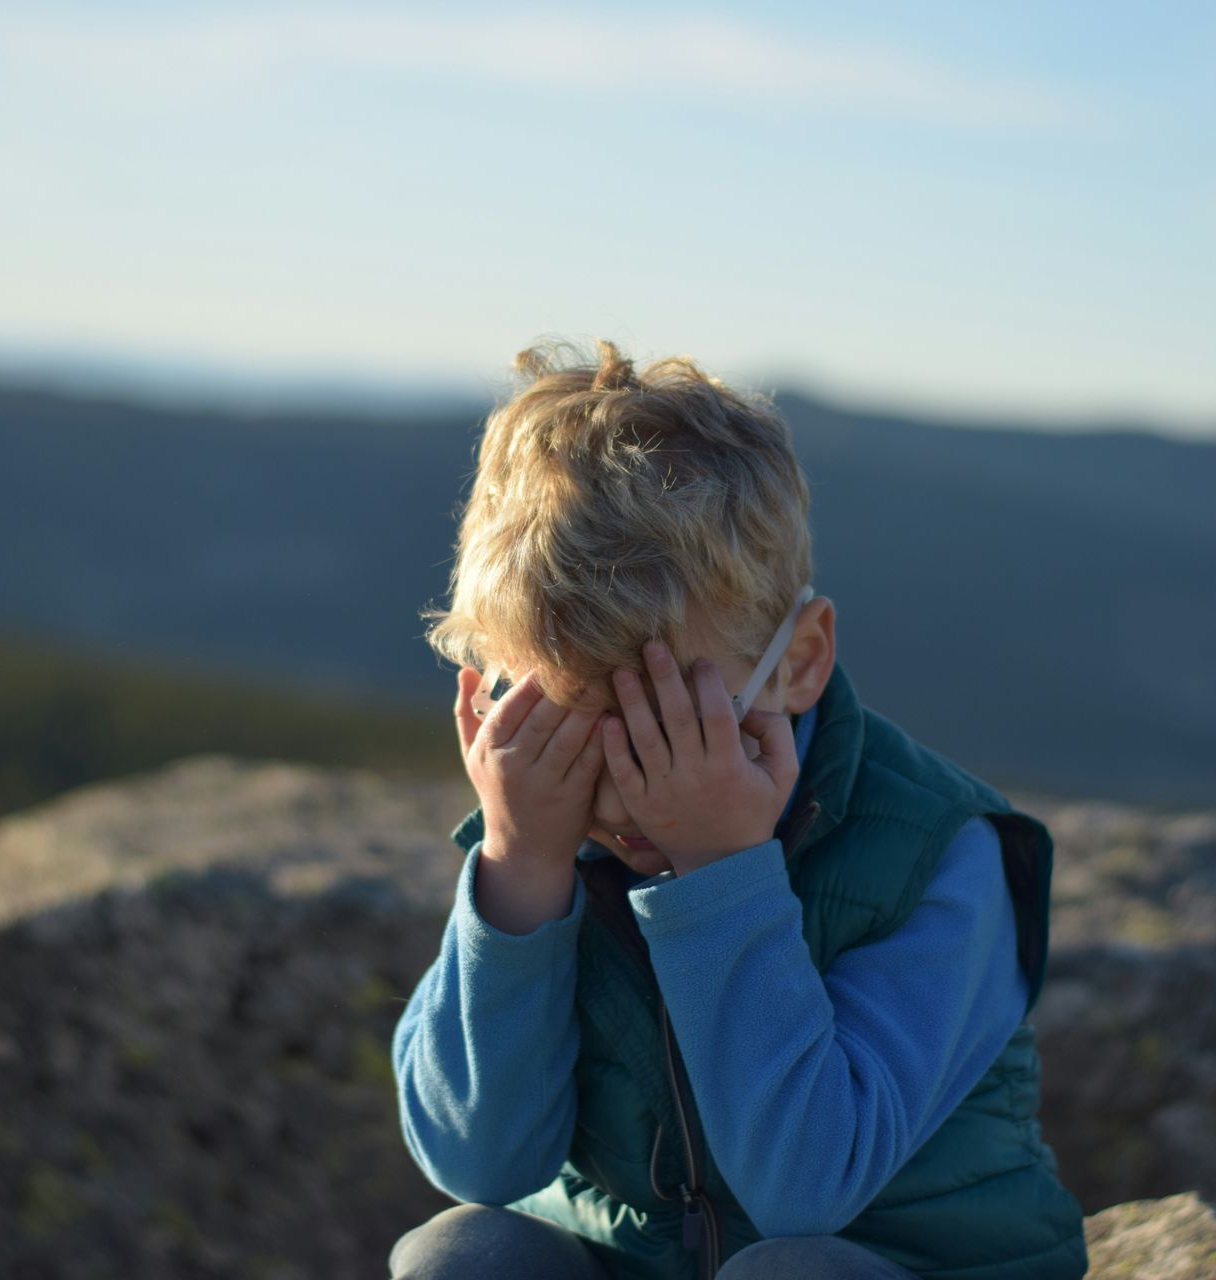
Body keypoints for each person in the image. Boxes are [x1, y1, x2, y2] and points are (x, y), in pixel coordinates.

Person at [390, 338, 1089, 1280]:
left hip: (886, 1266)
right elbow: (480, 1162)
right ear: (492, 700)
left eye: (670, 727)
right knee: (462, 1255)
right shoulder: (546, 832)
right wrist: (519, 871)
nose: (630, 787)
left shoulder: (939, 857)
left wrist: (720, 874)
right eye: (574, 733)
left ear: (798, 662)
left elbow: (807, 1188)